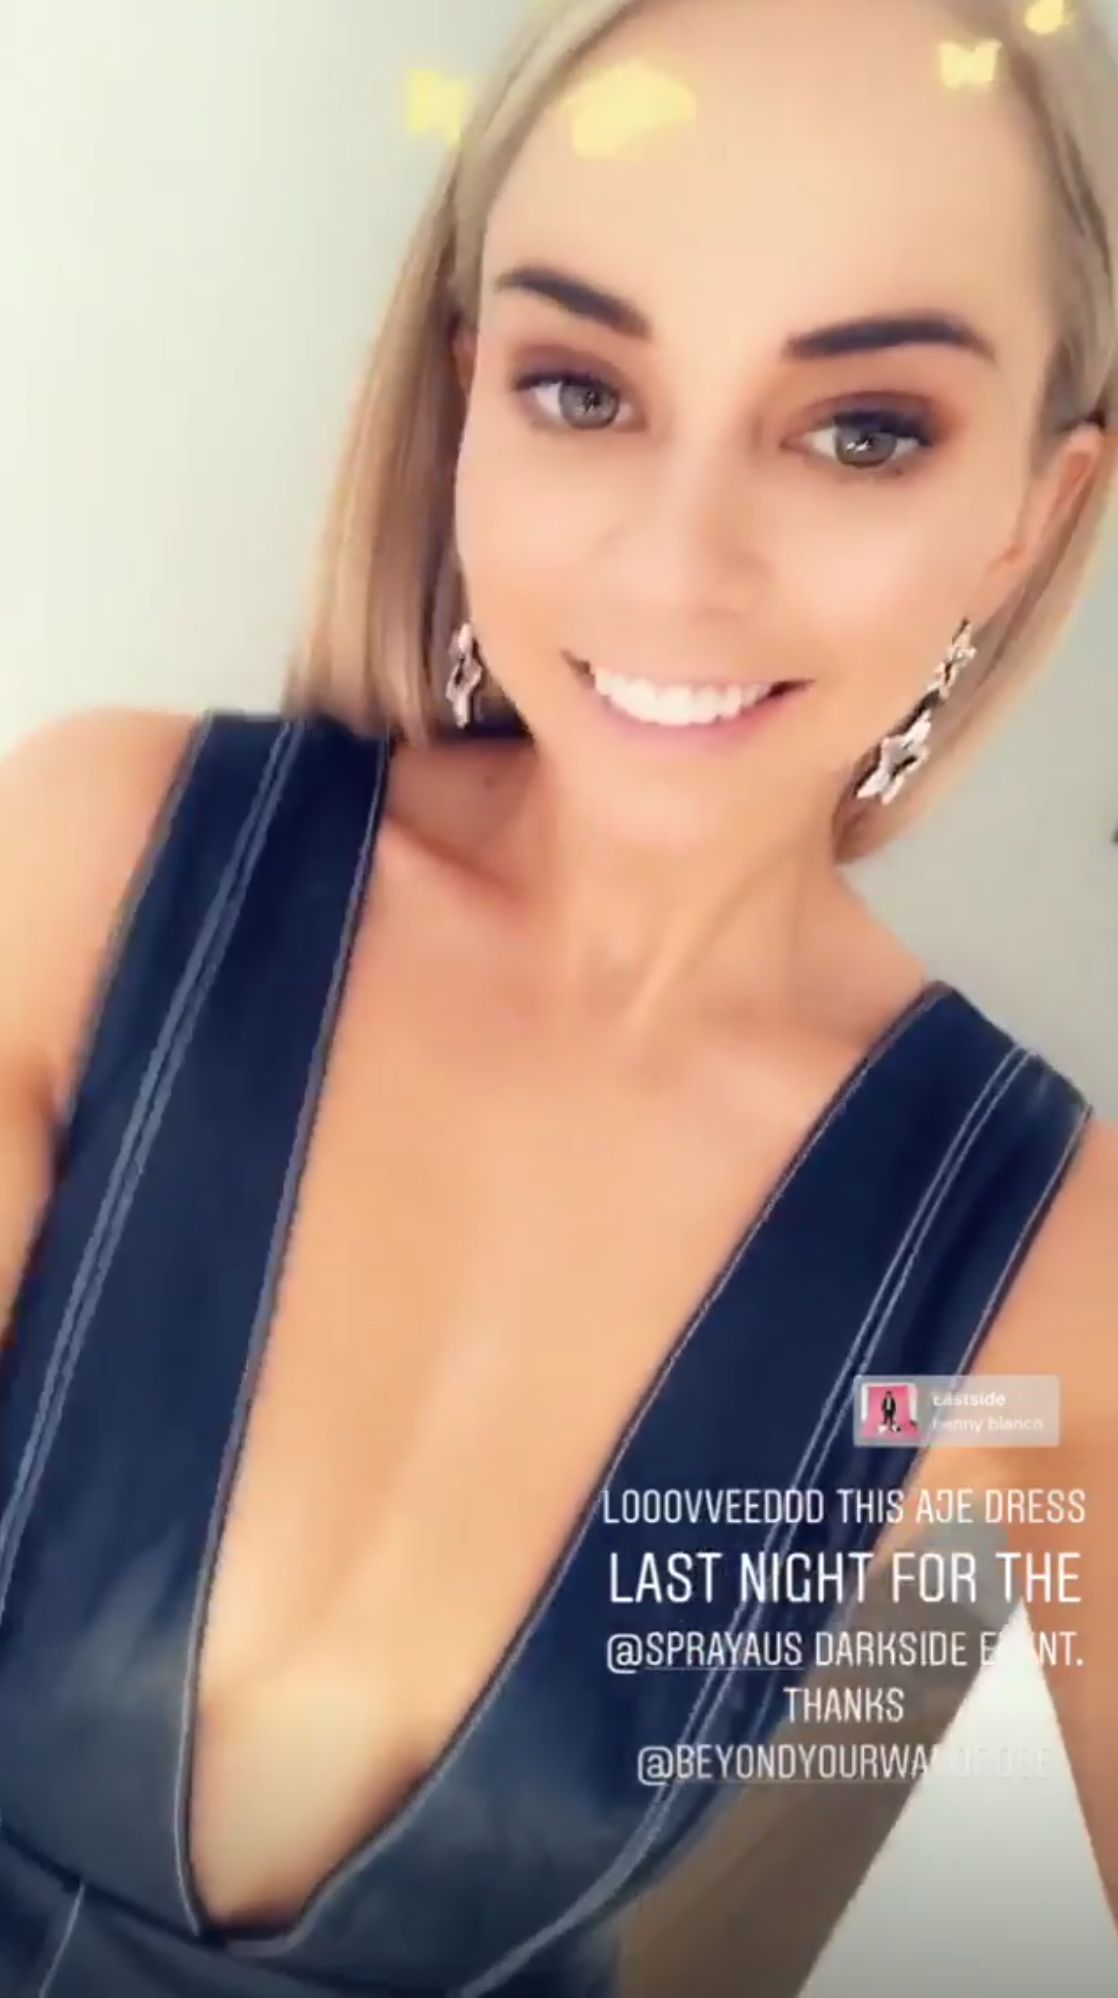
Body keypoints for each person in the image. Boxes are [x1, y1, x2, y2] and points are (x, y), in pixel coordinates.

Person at [0, 0, 1116, 1991]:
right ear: (468, 403)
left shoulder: (1050, 1272)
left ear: (1030, 515)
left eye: (864, 430)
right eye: (582, 389)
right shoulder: (93, 871)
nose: (679, 564)